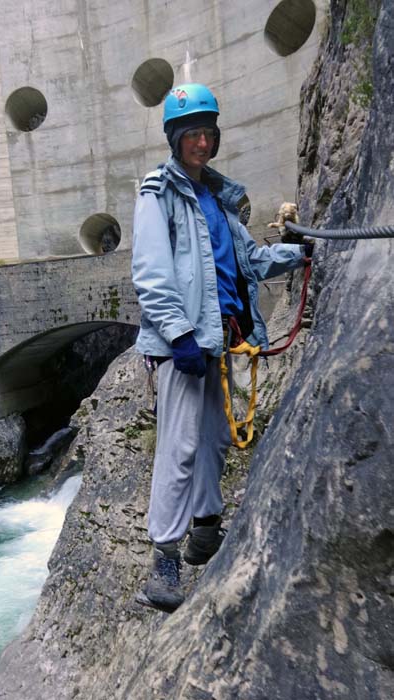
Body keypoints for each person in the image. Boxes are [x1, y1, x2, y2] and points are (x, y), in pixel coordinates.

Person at [131, 83, 310, 612]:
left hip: (216, 341)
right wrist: (178, 334)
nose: (202, 144)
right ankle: (163, 558)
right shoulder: (158, 191)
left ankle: (204, 532)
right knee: (180, 446)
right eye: (192, 135)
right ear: (175, 138)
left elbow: (250, 262)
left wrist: (296, 254)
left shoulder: (219, 198)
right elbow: (151, 271)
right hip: (182, 344)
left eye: (208, 134)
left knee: (211, 441)